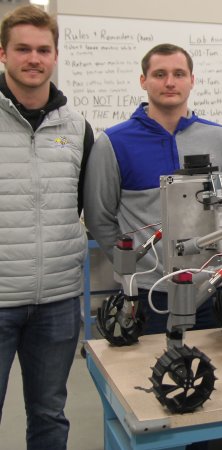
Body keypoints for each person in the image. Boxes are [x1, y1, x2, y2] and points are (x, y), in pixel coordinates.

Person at [84, 44, 222, 450]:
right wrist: (135, 266)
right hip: (149, 301)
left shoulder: (220, 139)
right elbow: (100, 217)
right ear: (143, 81)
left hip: (210, 294)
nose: (169, 82)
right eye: (159, 74)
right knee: (153, 412)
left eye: (178, 73)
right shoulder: (113, 142)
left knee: (211, 405)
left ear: (191, 80)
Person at [0, 5, 94, 450]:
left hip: (57, 301)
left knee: (49, 415)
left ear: (55, 56)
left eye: (43, 49)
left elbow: (80, 205)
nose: (33, 59)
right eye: (23, 49)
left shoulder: (77, 129)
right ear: (3, 53)